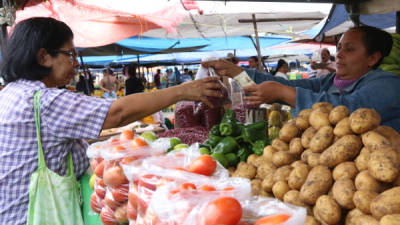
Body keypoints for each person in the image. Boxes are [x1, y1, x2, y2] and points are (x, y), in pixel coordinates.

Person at [0, 17, 223, 225]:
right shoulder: (46, 101)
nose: (76, 63)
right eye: (70, 54)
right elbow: (117, 113)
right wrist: (182, 91)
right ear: (43, 57)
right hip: (31, 215)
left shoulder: (12, 92)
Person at [203, 26, 400, 132]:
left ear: (373, 58)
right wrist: (236, 72)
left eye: (350, 49)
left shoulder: (388, 84)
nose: (339, 54)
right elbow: (287, 85)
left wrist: (284, 93)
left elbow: (348, 110)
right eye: (339, 47)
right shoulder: (328, 81)